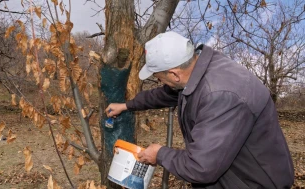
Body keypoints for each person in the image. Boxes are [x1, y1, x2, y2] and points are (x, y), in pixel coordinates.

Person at [105, 31, 294, 188]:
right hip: (233, 172)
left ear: (174, 74)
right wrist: (126, 105)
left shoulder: (220, 95)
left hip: (254, 182)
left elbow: (201, 167)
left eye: (159, 77)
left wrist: (160, 154)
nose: (159, 81)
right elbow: (165, 94)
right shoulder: (198, 71)